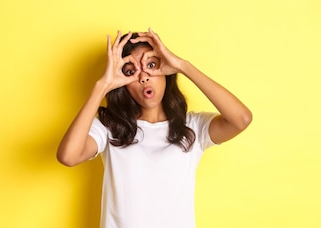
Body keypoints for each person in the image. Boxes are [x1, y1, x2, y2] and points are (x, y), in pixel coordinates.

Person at [57, 28, 252, 228]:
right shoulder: (110, 128)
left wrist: (182, 65)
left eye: (151, 65)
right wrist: (103, 85)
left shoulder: (192, 127)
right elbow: (68, 156)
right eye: (131, 71)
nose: (144, 77)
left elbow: (241, 119)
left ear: (166, 71)